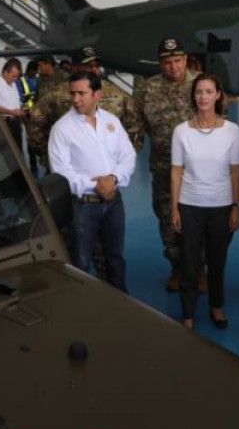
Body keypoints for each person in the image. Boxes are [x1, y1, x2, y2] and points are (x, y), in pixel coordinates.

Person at [48, 71, 136, 292]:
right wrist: (96, 184)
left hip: (114, 202)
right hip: (83, 206)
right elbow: (60, 173)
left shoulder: (111, 121)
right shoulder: (62, 128)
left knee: (115, 258)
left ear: (98, 94)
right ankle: (83, 309)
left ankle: (121, 304)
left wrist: (113, 179)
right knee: (81, 263)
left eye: (81, 93)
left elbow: (128, 156)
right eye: (73, 93)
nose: (75, 99)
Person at [170, 73, 239, 330]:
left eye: (208, 91)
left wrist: (237, 206)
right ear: (194, 96)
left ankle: (216, 306)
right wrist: (174, 208)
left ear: (218, 95)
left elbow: (235, 171)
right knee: (189, 262)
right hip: (190, 205)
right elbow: (176, 171)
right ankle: (188, 313)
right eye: (198, 92)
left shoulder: (232, 131)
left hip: (221, 207)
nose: (203, 97)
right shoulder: (181, 131)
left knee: (217, 261)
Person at [132, 37, 201, 292]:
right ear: (160, 63)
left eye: (177, 61)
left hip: (198, 172)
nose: (173, 67)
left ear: (185, 60)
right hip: (163, 168)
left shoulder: (201, 85)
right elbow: (137, 127)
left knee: (197, 220)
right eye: (167, 62)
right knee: (166, 219)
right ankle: (177, 266)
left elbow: (219, 121)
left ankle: (199, 267)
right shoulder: (147, 89)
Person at [0, 58, 26, 158]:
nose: (15, 79)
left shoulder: (13, 85)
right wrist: (13, 112)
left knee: (18, 152)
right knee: (9, 154)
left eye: (17, 77)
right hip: (6, 124)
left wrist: (21, 110)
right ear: (5, 72)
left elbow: (16, 102)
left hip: (16, 123)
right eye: (13, 76)